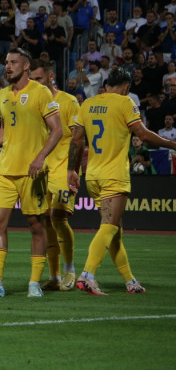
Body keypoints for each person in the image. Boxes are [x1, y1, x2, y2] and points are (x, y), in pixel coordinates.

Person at [68, 68, 176, 295]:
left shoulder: (87, 104)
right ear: (126, 87)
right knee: (109, 226)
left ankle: (130, 281)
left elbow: (77, 140)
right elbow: (143, 134)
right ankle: (87, 275)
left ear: (107, 84)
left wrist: (72, 170)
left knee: (115, 230)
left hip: (94, 176)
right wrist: (172, 144)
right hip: (114, 175)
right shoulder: (125, 103)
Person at [0, 48, 62, 298]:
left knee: (36, 225)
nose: (7, 66)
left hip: (32, 172)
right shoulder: (2, 94)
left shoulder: (41, 92)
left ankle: (34, 282)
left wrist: (40, 157)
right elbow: (7, 130)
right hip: (6, 170)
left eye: (13, 62)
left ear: (26, 66)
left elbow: (57, 130)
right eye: (6, 62)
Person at [28, 59, 80, 292]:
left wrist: (73, 169)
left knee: (59, 218)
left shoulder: (68, 101)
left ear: (50, 77)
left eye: (38, 79)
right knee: (44, 221)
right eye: (32, 79)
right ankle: (54, 276)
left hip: (62, 168)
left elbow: (78, 138)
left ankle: (69, 268)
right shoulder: (33, 102)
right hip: (40, 169)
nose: (34, 83)